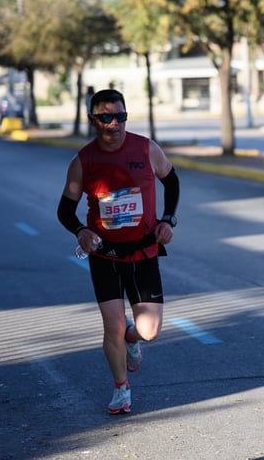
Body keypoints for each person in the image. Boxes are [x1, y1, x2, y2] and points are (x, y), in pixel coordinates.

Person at [57, 88, 180, 414]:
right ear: (93, 120)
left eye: (120, 116)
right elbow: (65, 211)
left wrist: (168, 220)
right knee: (110, 326)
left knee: (149, 332)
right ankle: (121, 389)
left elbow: (172, 181)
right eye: (106, 117)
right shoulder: (83, 160)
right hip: (105, 255)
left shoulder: (145, 148)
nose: (114, 124)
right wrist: (81, 231)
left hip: (143, 253)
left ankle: (132, 338)